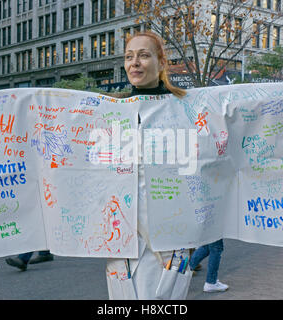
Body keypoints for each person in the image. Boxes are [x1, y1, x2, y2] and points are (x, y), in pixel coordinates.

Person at [105, 31, 189, 300]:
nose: (135, 63)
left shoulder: (185, 109)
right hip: (124, 238)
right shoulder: (112, 113)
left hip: (169, 235)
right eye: (129, 57)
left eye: (143, 55)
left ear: (162, 62)